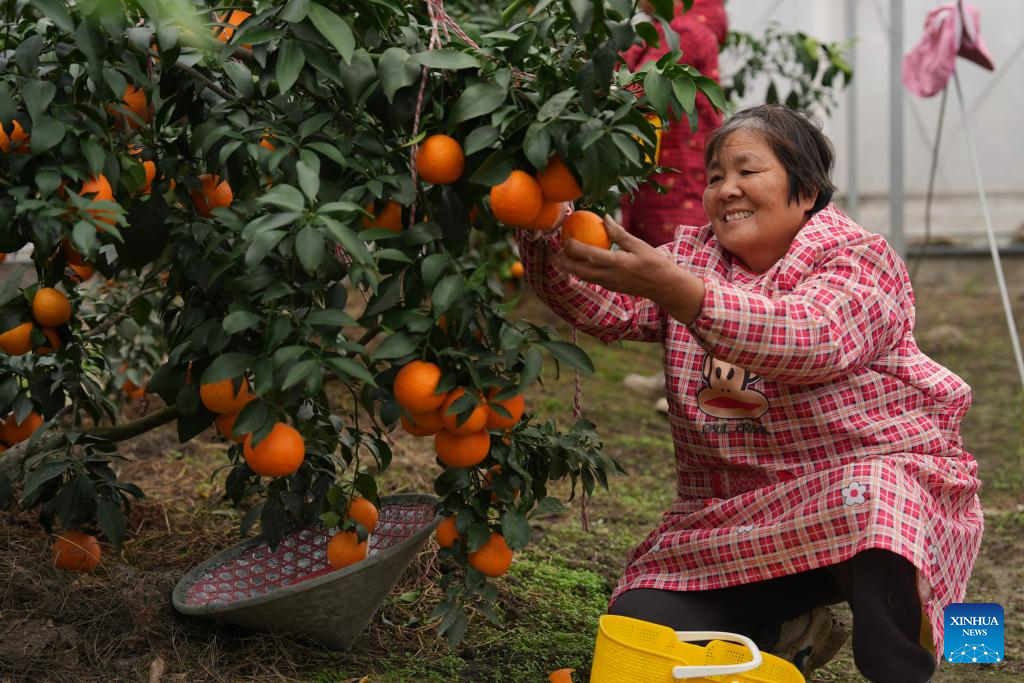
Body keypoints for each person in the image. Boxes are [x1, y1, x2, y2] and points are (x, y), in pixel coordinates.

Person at [516, 104, 982, 682]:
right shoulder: (690, 259)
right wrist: (542, 224)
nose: (725, 189)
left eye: (746, 171)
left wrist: (688, 297)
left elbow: (813, 338)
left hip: (859, 491)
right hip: (734, 514)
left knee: (879, 503)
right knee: (643, 619)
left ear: (806, 190)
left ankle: (900, 670)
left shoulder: (859, 258)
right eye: (714, 177)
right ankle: (786, 633)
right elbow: (603, 305)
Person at [619, 0, 728, 413]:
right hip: (662, 172)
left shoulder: (687, 31)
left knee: (684, 274)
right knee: (665, 269)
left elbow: (640, 87)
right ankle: (672, 374)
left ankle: (695, 386)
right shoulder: (667, 27)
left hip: (682, 173)